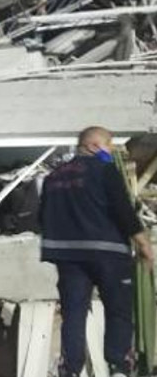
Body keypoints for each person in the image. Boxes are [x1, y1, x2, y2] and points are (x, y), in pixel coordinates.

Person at [39, 126, 155, 377]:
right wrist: (144, 243)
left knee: (73, 313)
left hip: (68, 257)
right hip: (108, 253)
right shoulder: (104, 169)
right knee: (118, 310)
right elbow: (122, 209)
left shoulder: (53, 177)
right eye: (108, 144)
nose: (110, 150)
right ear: (92, 145)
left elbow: (44, 216)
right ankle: (119, 365)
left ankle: (70, 369)